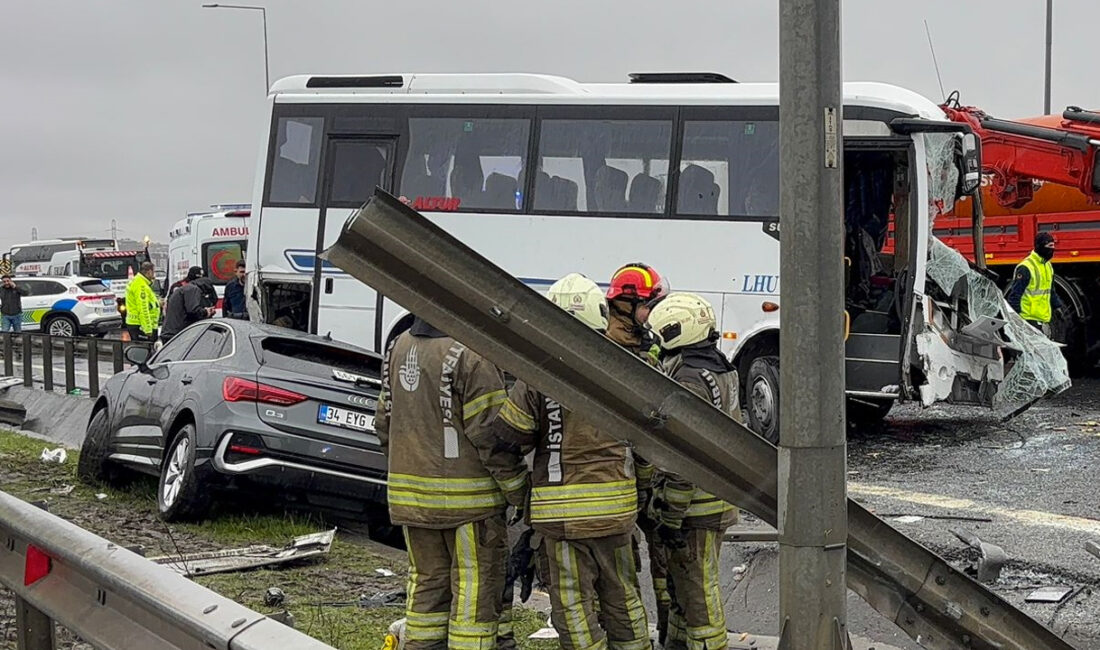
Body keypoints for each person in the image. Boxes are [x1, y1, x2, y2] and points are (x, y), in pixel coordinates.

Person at [492, 273, 650, 650]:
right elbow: (649, 450)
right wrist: (640, 493)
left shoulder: (538, 375)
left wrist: (521, 498)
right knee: (623, 596)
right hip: (618, 515)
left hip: (562, 520)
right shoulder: (629, 369)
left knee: (573, 605)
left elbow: (509, 438)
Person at [374, 316, 527, 650]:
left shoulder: (398, 346)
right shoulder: (472, 355)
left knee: (427, 591)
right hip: (470, 508)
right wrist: (519, 491)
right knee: (474, 595)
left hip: (412, 503)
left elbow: (384, 423)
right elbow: (492, 438)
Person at [646, 292, 740, 650]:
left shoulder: (687, 379)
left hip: (694, 505)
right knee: (688, 585)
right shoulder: (719, 366)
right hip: (716, 498)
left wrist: (670, 515)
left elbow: (684, 459)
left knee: (699, 590)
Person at [605, 261, 672, 643]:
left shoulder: (646, 354)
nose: (651, 313)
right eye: (648, 304)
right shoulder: (610, 357)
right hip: (623, 488)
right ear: (626, 306)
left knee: (663, 574)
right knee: (622, 581)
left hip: (644, 486)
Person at [1006, 232, 1063, 335]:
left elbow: (1051, 291)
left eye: (1053, 245)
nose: (1052, 249)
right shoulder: (1026, 267)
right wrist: (1017, 319)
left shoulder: (1048, 266)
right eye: (1049, 246)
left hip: (1042, 319)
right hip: (1028, 318)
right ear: (1040, 246)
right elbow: (1015, 295)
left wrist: (1057, 307)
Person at [161, 277, 216, 343]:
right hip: (179, 334)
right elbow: (193, 310)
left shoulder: (185, 289)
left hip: (171, 332)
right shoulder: (193, 289)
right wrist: (206, 312)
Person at [125, 262, 161, 342]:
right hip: (140, 325)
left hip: (136, 323)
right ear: (149, 272)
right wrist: (148, 330)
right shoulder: (141, 286)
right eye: (153, 272)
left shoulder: (138, 281)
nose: (154, 275)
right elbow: (143, 308)